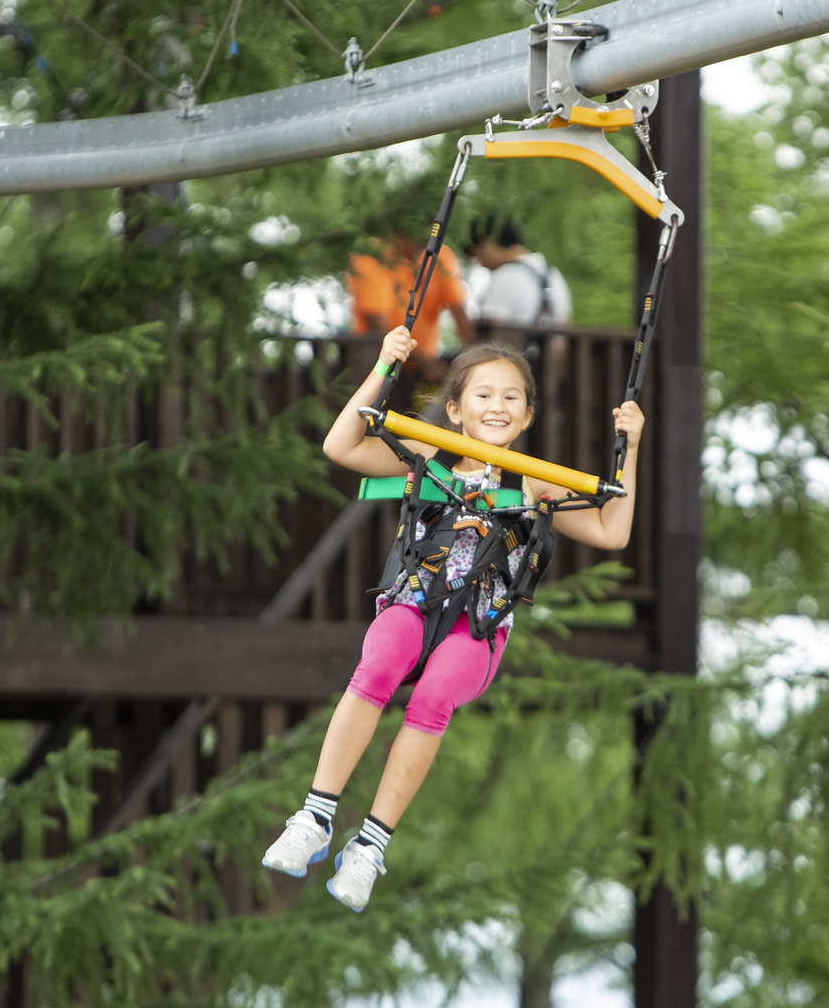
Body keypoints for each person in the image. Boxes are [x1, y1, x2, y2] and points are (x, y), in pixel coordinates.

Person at [261, 325, 645, 912]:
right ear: (458, 409)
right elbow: (340, 446)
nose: (497, 406)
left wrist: (631, 446)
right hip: (413, 600)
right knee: (381, 661)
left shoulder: (535, 481)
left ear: (527, 415)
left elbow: (612, 530)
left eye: (511, 397)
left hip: (480, 625)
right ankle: (315, 816)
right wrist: (385, 367)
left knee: (435, 694)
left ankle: (370, 847)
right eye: (483, 395)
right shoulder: (427, 456)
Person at [348, 232, 475, 358]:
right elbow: (377, 326)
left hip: (426, 359)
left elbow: (459, 310)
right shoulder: (372, 256)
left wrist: (476, 357)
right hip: (379, 362)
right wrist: (427, 364)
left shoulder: (440, 255)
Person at [466, 215, 572, 328]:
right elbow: (565, 321)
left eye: (477, 255)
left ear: (488, 244)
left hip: (512, 345)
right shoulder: (554, 274)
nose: (480, 262)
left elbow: (489, 331)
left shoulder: (505, 276)